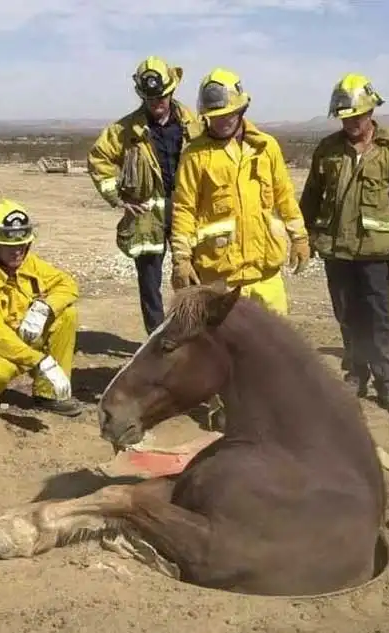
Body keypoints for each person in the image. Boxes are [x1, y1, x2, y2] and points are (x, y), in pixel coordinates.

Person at [170, 67, 310, 429]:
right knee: (222, 349)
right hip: (221, 274)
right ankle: (226, 411)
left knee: (275, 343)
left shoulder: (266, 148)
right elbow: (184, 209)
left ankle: (274, 406)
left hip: (264, 270)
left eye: (228, 114)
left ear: (242, 109)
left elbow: (284, 196)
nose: (222, 121)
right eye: (215, 116)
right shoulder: (196, 155)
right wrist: (181, 258)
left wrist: (299, 236)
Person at [299, 73, 389, 413]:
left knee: (378, 319)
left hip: (373, 252)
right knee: (347, 317)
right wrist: (303, 238)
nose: (350, 123)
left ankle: (388, 383)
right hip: (336, 250)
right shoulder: (328, 150)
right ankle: (356, 374)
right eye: (344, 117)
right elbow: (310, 198)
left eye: (356, 116)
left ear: (370, 111)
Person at [87, 55, 203, 335]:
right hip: (147, 217)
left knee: (192, 276)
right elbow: (99, 159)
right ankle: (157, 338)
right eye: (150, 98)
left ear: (171, 91)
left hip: (186, 211)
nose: (156, 103)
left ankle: (194, 335)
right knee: (150, 284)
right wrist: (119, 198)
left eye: (161, 97)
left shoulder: (194, 124)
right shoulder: (126, 130)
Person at [0, 199, 82, 417]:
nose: (17, 252)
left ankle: (48, 394)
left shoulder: (29, 262)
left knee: (66, 314)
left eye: (22, 245)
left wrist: (44, 307)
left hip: (17, 333)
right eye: (9, 246)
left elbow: (67, 284)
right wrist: (39, 361)